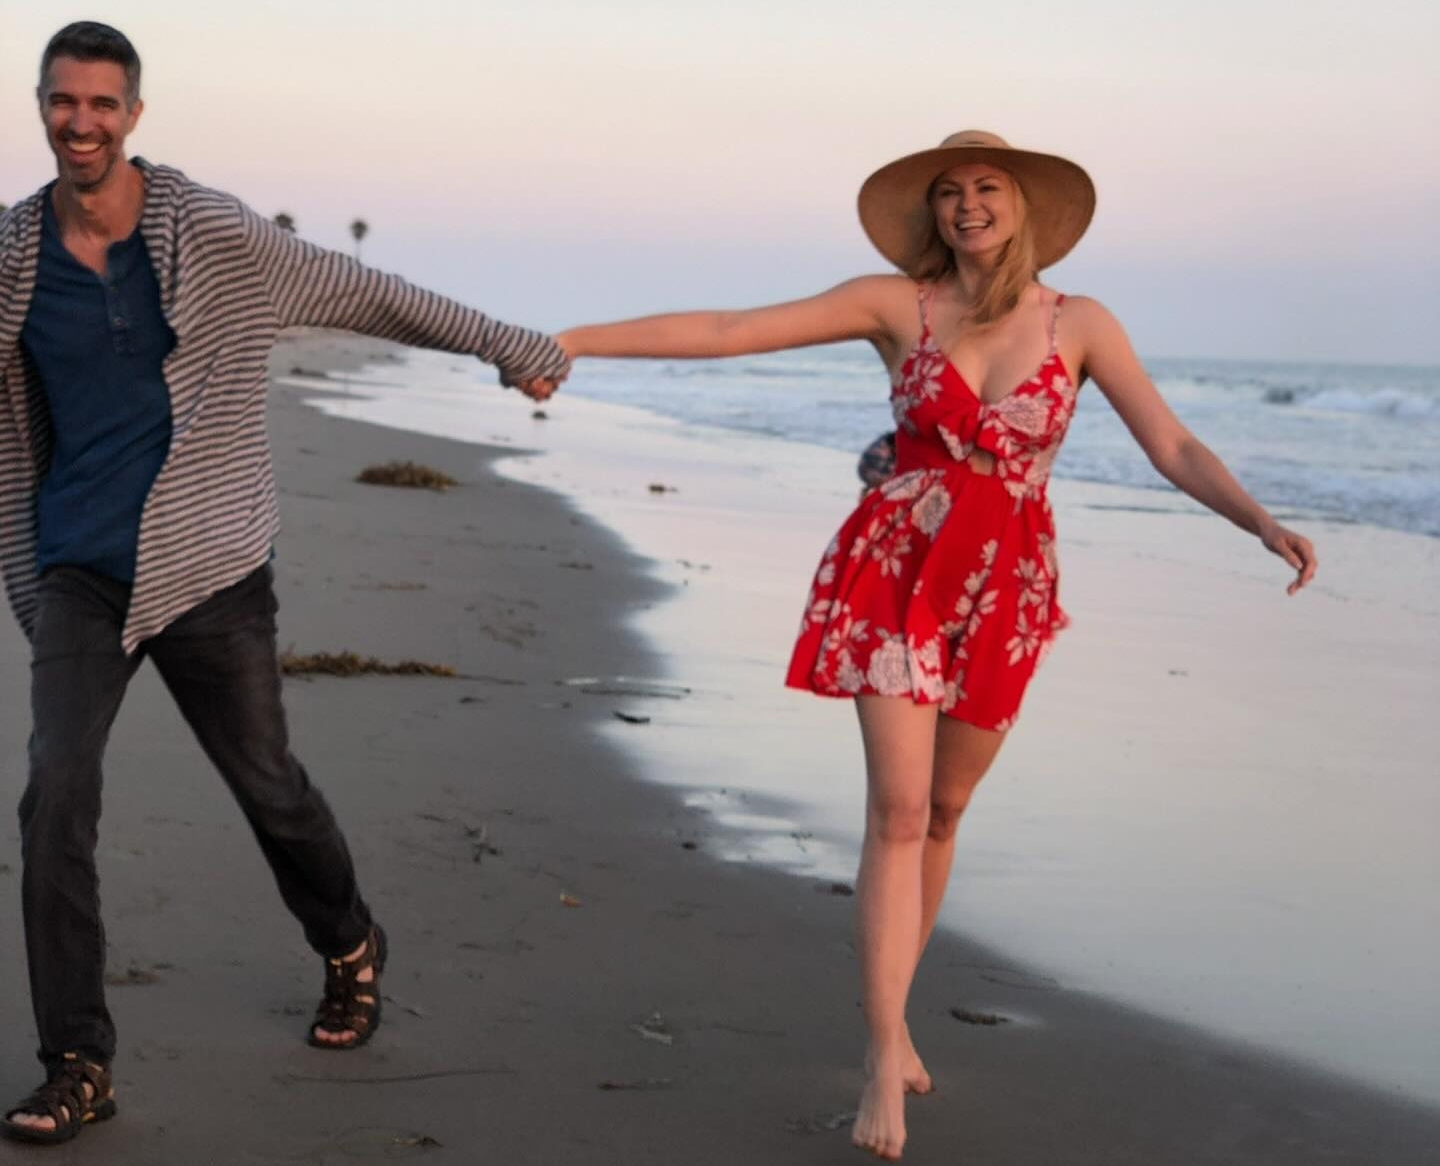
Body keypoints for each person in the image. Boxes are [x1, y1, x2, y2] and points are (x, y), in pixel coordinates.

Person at [537, 129, 1318, 1161]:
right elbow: (732, 328)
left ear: (1023, 205)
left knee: (945, 811)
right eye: (949, 191)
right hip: (897, 571)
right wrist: (575, 339)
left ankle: (897, 1011)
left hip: (1007, 589)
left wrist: (1258, 519)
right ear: (932, 212)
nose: (967, 204)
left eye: (987, 186)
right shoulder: (893, 304)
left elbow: (1168, 442)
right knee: (899, 810)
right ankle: (879, 1052)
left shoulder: (1081, 322)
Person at [0, 22, 569, 1144]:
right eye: (64, 101)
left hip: (210, 563)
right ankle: (77, 1060)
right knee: (53, 795)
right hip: (80, 570)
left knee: (268, 786)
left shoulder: (213, 232)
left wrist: (507, 341)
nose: (82, 122)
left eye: (103, 103)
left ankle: (348, 939)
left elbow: (366, 290)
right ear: (41, 107)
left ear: (134, 115)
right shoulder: (13, 257)